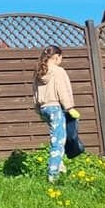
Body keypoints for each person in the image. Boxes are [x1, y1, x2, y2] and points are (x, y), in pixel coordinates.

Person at [33, 45, 80, 183]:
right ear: (57, 56)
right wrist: (70, 107)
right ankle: (53, 175)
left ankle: (61, 167)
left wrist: (38, 110)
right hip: (55, 107)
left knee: (57, 137)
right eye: (61, 57)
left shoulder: (38, 71)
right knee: (58, 142)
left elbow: (34, 93)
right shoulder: (58, 71)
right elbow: (63, 90)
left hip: (43, 108)